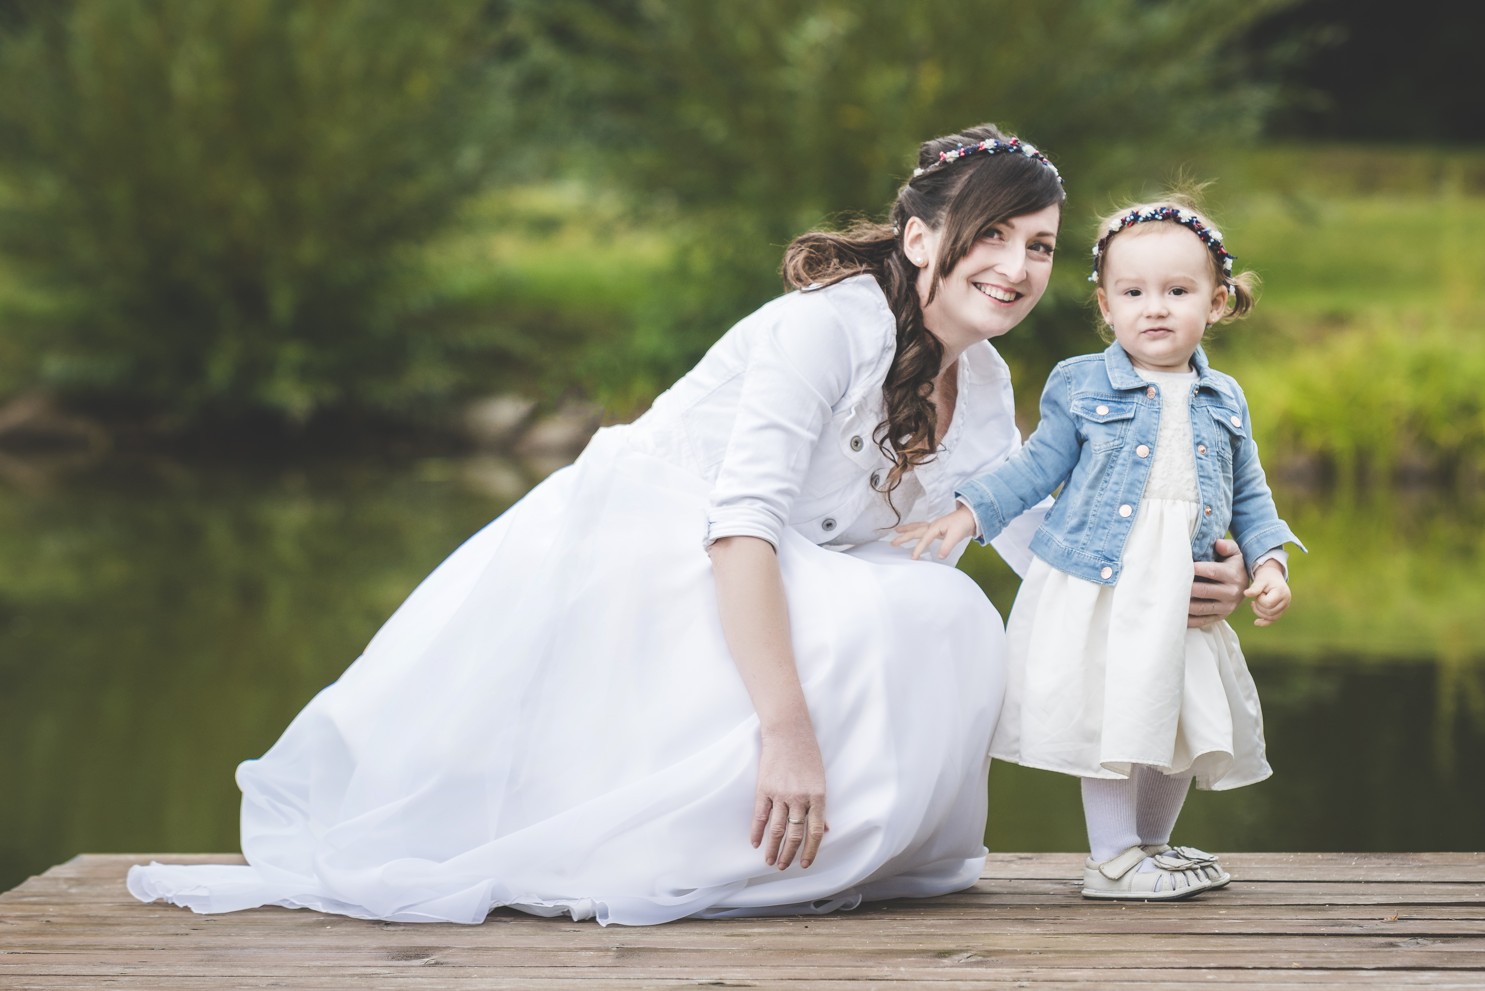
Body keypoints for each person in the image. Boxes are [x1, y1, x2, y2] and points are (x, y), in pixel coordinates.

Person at [128, 126, 1249, 926]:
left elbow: (1035, 532)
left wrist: (1178, 580)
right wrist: (786, 732)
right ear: (918, 237)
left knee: (944, 607)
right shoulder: (826, 330)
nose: (1014, 267)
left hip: (792, 565)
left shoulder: (988, 381)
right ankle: (728, 836)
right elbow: (740, 530)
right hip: (656, 554)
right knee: (912, 612)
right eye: (990, 234)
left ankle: (836, 856)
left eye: (1039, 245)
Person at [896, 193, 1303, 901]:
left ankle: (1151, 846)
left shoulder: (1224, 398)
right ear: (1106, 306)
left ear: (1215, 303)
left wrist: (1269, 562)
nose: (1154, 308)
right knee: (1115, 718)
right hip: (1105, 586)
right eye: (1133, 293)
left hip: (1182, 591)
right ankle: (1112, 857)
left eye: (1177, 292)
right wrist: (969, 513)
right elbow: (1036, 466)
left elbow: (1251, 496)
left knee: (1177, 716)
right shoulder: (1082, 383)